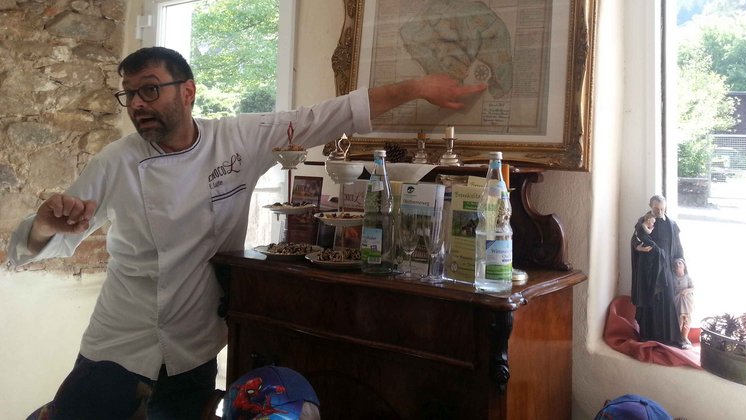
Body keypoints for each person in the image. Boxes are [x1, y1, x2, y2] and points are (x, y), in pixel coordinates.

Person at [9, 46, 486, 420]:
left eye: (149, 90)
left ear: (188, 91)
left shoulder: (237, 139)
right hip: (118, 343)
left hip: (193, 345)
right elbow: (49, 239)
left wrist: (416, 87)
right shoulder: (116, 161)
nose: (136, 104)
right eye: (129, 94)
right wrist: (46, 225)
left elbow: (325, 116)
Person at [630, 209, 684, 348]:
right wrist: (638, 248)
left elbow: (677, 246)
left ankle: (670, 338)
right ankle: (647, 335)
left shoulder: (671, 225)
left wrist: (680, 263)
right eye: (656, 208)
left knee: (668, 299)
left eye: (662, 208)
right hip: (648, 270)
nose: (659, 211)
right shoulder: (643, 221)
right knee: (649, 300)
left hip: (666, 268)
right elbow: (635, 239)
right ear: (650, 206)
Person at [672, 258, 695, 347]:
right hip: (677, 301)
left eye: (680, 263)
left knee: (687, 319)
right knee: (679, 320)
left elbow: (693, 288)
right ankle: (678, 338)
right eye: (676, 264)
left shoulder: (688, 277)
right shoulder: (673, 278)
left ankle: (685, 337)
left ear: (684, 266)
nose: (678, 265)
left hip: (687, 301)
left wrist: (686, 290)